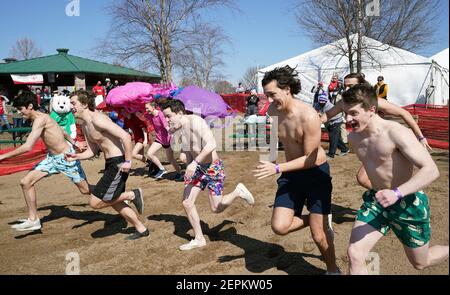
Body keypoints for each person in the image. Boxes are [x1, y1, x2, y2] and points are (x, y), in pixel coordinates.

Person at [341, 84, 448, 274]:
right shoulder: (355, 137)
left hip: (408, 203)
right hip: (377, 202)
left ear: (371, 110)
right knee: (355, 253)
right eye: (345, 113)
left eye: (353, 113)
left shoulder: (396, 132)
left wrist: (397, 193)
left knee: (421, 262)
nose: (348, 119)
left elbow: (431, 170)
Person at [255, 65, 339, 274]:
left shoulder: (309, 116)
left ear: (287, 89)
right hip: (290, 175)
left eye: (272, 94)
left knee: (319, 235)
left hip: (315, 174)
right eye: (266, 95)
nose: (269, 100)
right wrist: (268, 160)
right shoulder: (273, 110)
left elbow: (310, 159)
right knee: (280, 227)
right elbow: (274, 139)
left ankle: (332, 269)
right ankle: (317, 218)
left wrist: (276, 168)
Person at [160, 99, 255, 251]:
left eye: (168, 116)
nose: (166, 120)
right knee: (187, 202)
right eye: (165, 117)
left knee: (216, 208)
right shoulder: (179, 128)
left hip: (212, 168)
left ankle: (238, 191)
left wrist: (194, 162)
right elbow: (191, 148)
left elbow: (211, 145)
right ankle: (199, 238)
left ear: (179, 113)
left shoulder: (196, 122)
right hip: (197, 168)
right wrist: (186, 159)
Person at [320, 73, 431, 189]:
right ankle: (383, 195)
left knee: (367, 178)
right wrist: (314, 123)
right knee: (365, 179)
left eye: (351, 86)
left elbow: (404, 113)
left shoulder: (376, 102)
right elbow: (328, 114)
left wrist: (421, 137)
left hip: (383, 144)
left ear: (361, 85)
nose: (347, 89)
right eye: (345, 86)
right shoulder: (343, 103)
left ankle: (394, 196)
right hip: (366, 145)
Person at [0, 91, 90, 231]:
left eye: (20, 109)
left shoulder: (40, 119)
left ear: (30, 106)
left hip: (66, 158)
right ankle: (33, 220)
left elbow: (28, 146)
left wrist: (3, 156)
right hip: (52, 159)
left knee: (86, 190)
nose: (19, 112)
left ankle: (120, 195)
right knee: (25, 182)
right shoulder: (43, 117)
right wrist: (75, 142)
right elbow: (60, 129)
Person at [67, 90, 149, 240]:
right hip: (110, 163)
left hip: (119, 164)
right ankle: (141, 229)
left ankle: (132, 194)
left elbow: (125, 136)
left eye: (73, 103)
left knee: (95, 202)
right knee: (115, 203)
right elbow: (92, 151)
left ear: (84, 104)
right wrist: (76, 156)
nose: (70, 106)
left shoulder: (99, 119)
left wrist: (128, 161)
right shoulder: (85, 124)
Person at [144, 101, 183, 180]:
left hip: (167, 139)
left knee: (170, 159)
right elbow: (140, 115)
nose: (146, 110)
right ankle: (162, 169)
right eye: (145, 108)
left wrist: (172, 135)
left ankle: (180, 173)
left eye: (147, 108)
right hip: (159, 139)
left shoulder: (160, 115)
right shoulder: (150, 115)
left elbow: (166, 126)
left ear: (153, 107)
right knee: (149, 154)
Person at [315, 93, 349, 159]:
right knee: (336, 138)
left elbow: (337, 115)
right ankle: (345, 149)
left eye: (323, 101)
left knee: (332, 137)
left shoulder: (330, 106)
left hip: (336, 121)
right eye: (320, 101)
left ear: (326, 101)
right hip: (328, 122)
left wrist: (323, 116)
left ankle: (331, 154)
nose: (322, 103)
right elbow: (315, 111)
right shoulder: (317, 105)